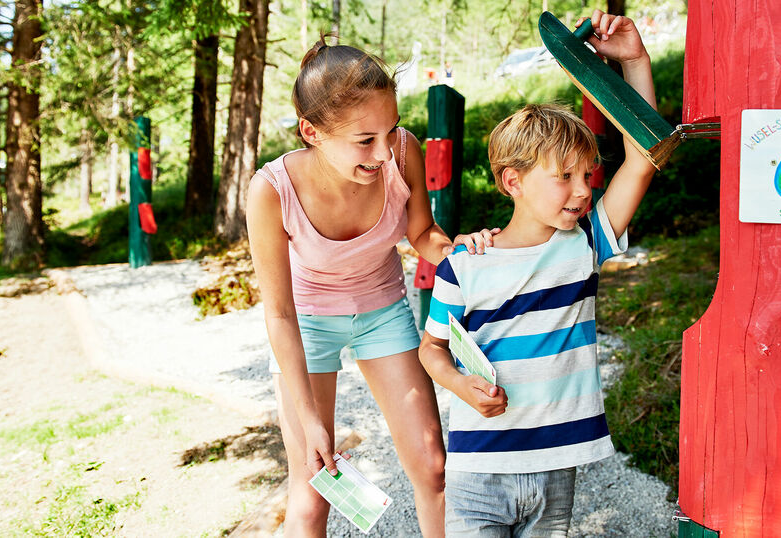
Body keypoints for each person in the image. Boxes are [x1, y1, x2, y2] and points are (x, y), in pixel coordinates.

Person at [418, 11, 657, 536]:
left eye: (587, 176)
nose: (583, 190)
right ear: (513, 182)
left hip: (555, 469)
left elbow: (644, 156)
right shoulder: (465, 264)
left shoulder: (584, 245)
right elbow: (430, 350)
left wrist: (635, 60)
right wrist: (461, 385)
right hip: (476, 471)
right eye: (564, 177)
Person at [246, 38, 496, 537]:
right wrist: (310, 419)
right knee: (312, 488)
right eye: (365, 140)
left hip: (382, 310)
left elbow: (423, 235)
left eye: (391, 129)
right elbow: (278, 314)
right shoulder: (271, 191)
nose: (384, 152)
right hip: (307, 322)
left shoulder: (403, 151)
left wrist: (459, 251)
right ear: (311, 131)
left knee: (433, 467)